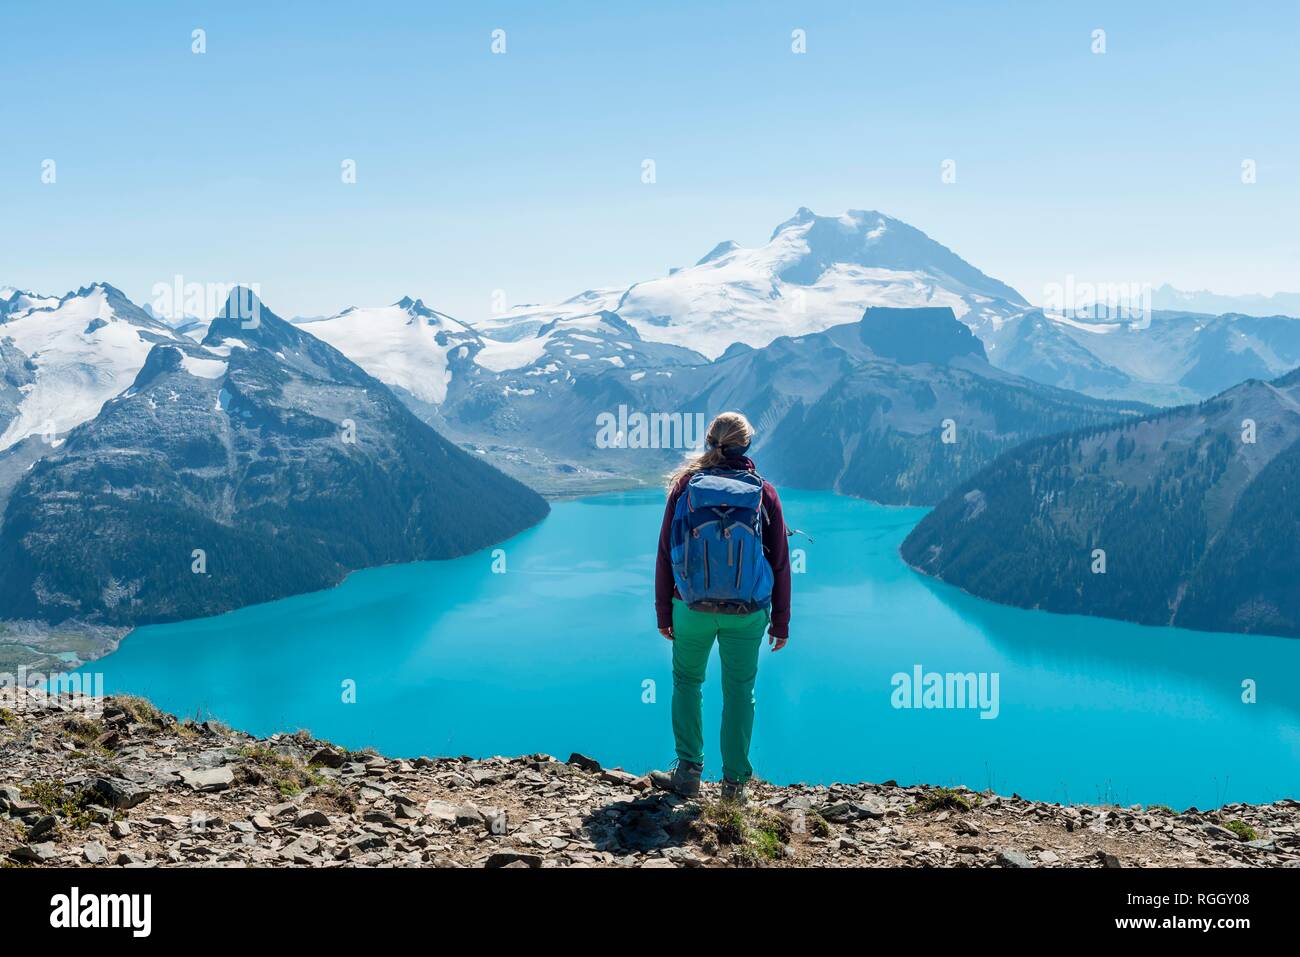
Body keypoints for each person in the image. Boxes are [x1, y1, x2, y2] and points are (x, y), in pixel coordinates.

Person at [649, 411, 791, 804]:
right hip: (747, 612)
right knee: (739, 693)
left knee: (687, 683)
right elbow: (779, 561)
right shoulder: (764, 491)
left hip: (691, 606)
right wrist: (781, 621)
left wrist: (665, 612)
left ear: (709, 441)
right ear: (747, 445)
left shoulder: (685, 487)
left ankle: (688, 773)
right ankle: (734, 788)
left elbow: (665, 554)